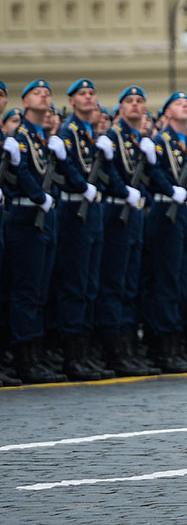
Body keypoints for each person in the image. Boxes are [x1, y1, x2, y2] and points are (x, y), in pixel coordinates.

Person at [5, 80, 72, 383]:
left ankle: (36, 353)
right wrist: (37, 195)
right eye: (36, 93)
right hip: (26, 216)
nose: (44, 96)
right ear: (24, 101)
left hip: (43, 217)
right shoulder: (19, 137)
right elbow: (17, 173)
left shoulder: (41, 138)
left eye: (46, 93)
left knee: (40, 289)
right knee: (26, 290)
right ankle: (24, 358)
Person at [54, 79, 117, 380]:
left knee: (90, 283)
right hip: (74, 210)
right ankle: (72, 354)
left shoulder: (91, 134)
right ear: (72, 100)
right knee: (76, 283)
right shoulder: (69, 132)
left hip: (92, 210)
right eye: (83, 94)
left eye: (92, 94)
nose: (89, 98)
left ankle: (85, 350)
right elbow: (69, 171)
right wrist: (82, 185)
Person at [141, 91, 187, 373]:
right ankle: (163, 346)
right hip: (166, 213)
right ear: (166, 114)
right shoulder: (159, 142)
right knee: (166, 279)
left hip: (185, 213)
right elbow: (154, 175)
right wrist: (169, 189)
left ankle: (175, 343)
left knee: (180, 279)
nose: (186, 107)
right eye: (179, 104)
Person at [97, 86, 157, 376]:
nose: (135, 105)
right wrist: (124, 190)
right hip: (116, 214)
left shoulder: (138, 140)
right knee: (115, 281)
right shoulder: (112, 138)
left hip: (134, 214)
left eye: (140, 101)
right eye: (129, 101)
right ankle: (114, 348)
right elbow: (105, 175)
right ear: (120, 109)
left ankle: (128, 345)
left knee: (130, 282)